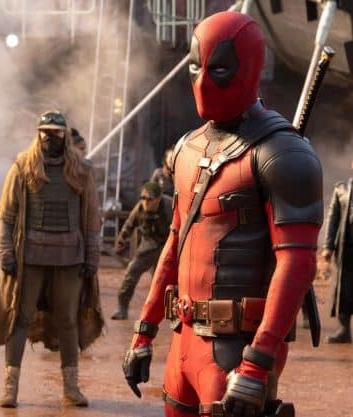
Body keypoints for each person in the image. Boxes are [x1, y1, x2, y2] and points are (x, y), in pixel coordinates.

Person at [122, 12, 323, 417]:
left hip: (236, 353)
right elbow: (175, 244)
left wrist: (258, 360)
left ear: (247, 67)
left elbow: (298, 263)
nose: (202, 81)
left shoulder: (282, 153)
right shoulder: (187, 148)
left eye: (218, 69)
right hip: (183, 346)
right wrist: (144, 330)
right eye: (195, 67)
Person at [0, 110, 103, 408]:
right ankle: (10, 388)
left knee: (68, 321)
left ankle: (71, 388)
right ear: (37, 133)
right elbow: (7, 215)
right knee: (20, 318)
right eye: (44, 131)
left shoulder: (81, 170)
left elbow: (92, 220)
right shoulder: (23, 166)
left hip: (69, 258)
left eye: (55, 131)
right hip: (30, 257)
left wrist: (92, 258)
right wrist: (6, 253)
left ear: (64, 135)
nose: (49, 136)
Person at [111, 181, 172, 320]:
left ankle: (166, 311)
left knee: (163, 281)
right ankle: (122, 308)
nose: (145, 201)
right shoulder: (139, 208)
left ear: (158, 199)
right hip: (148, 245)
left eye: (149, 198)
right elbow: (129, 224)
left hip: (166, 246)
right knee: (131, 273)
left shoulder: (169, 206)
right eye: (143, 197)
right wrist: (121, 241)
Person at [322, 161, 353, 343]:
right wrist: (328, 246)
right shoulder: (341, 188)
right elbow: (332, 218)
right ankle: (344, 329)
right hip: (346, 249)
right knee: (343, 289)